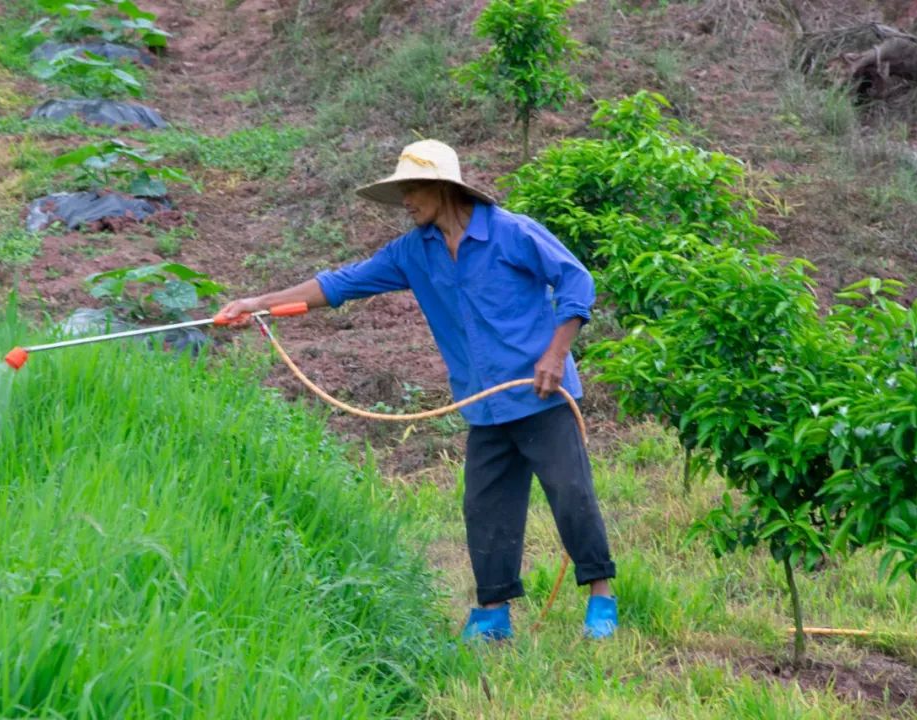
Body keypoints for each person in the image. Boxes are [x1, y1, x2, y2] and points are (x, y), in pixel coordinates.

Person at [217, 139, 617, 640]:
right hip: (484, 404)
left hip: (540, 393)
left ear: (444, 188)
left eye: (412, 188)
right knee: (485, 508)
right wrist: (259, 302)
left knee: (570, 491)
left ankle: (601, 598)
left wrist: (556, 354)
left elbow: (576, 281)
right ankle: (493, 613)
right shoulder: (413, 252)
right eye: (402, 189)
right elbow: (339, 284)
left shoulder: (510, 233)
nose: (405, 200)